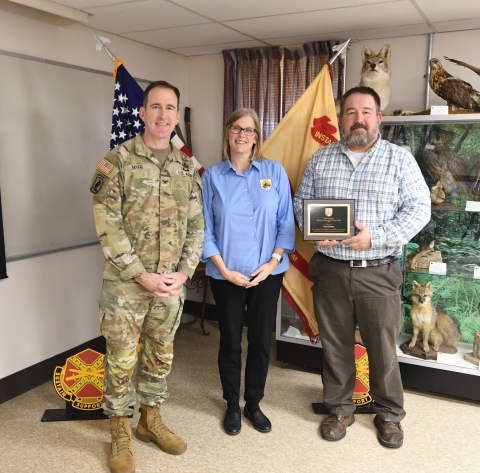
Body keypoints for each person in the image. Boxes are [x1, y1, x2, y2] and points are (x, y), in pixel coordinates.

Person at [293, 87, 430, 449]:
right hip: (331, 271)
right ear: (341, 119)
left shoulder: (399, 159)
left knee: (382, 348)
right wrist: (312, 232)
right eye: (351, 112)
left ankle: (389, 415)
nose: (359, 119)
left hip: (379, 271)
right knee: (336, 345)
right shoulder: (321, 159)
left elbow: (420, 208)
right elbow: (300, 201)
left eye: (366, 112)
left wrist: (377, 237)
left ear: (378, 118)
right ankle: (339, 409)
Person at [89, 80, 204, 473]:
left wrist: (185, 272)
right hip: (126, 288)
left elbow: (196, 225)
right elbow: (108, 226)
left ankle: (149, 420)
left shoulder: (187, 165)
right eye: (155, 106)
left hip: (170, 287)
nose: (163, 115)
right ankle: (119, 430)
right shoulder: (116, 161)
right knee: (121, 361)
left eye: (170, 108)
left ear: (176, 114)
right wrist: (141, 276)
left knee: (160, 356)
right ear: (142, 112)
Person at [202, 108, 295, 436]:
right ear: (227, 133)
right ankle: (231, 404)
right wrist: (225, 271)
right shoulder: (211, 176)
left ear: (257, 136)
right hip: (226, 277)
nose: (242, 135)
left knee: (259, 342)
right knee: (229, 341)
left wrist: (272, 263)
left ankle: (253, 404)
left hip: (267, 274)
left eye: (249, 130)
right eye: (236, 128)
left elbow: (286, 220)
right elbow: (205, 229)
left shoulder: (274, 172)